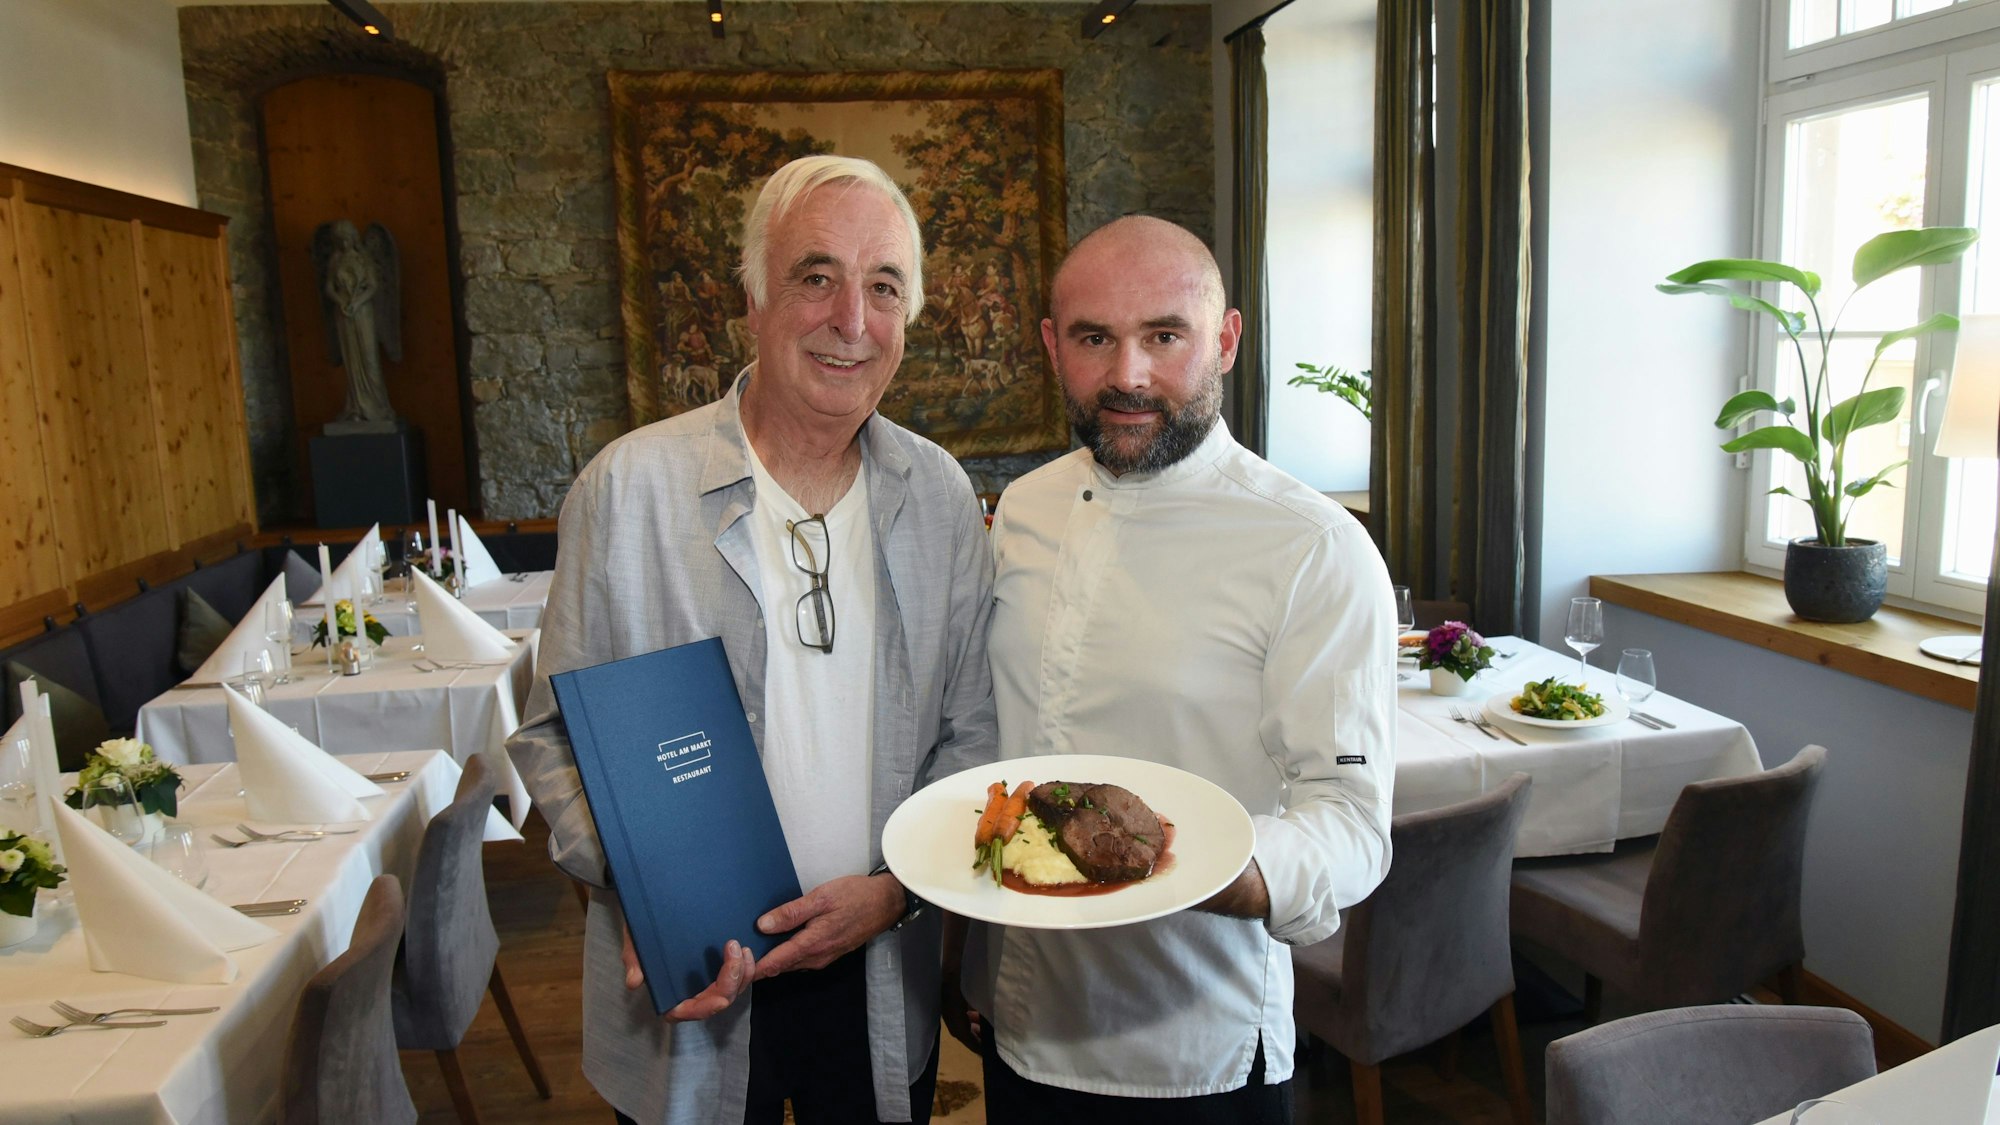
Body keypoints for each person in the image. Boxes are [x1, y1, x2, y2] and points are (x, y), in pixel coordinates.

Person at [508, 154, 997, 1125]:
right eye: (816, 277)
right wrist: (645, 889)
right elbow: (554, 740)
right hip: (691, 980)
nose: (850, 320)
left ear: (909, 317)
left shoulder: (940, 498)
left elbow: (974, 734)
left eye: (883, 287)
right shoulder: (627, 491)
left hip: (875, 974)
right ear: (753, 300)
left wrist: (895, 892)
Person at [949, 215, 1397, 1121]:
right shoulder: (1023, 510)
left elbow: (1351, 825)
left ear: (1225, 339)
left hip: (1196, 1049)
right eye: (1094, 339)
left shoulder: (1314, 547)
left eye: (1164, 335)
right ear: (1051, 346)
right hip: (1018, 1017)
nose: (1128, 376)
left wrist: (1208, 870)